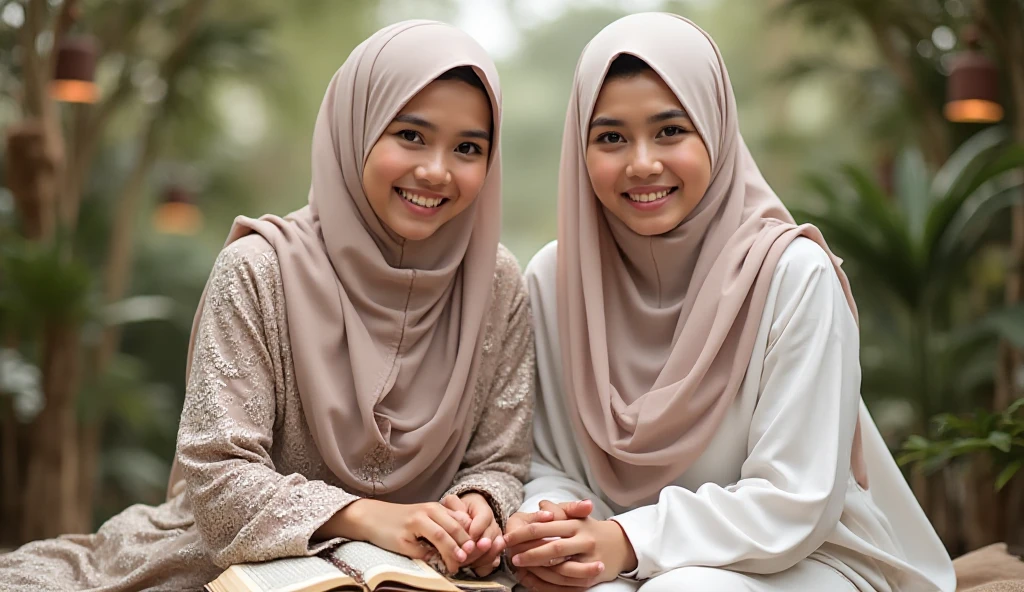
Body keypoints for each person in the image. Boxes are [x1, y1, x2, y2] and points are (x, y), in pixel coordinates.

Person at [0, 20, 533, 591]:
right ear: (356, 130)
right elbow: (217, 473)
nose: (436, 170)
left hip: (426, 576)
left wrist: (478, 505)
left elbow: (501, 460)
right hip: (237, 566)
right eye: (410, 135)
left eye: (468, 148)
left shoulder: (496, 285)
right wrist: (363, 517)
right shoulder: (259, 270)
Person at [505, 12, 955, 592]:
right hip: (622, 552)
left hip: (808, 556)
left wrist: (629, 542)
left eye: (671, 130)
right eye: (611, 137)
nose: (642, 162)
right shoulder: (554, 278)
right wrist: (555, 531)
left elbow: (797, 500)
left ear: (716, 131)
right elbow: (552, 464)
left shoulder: (792, 275)